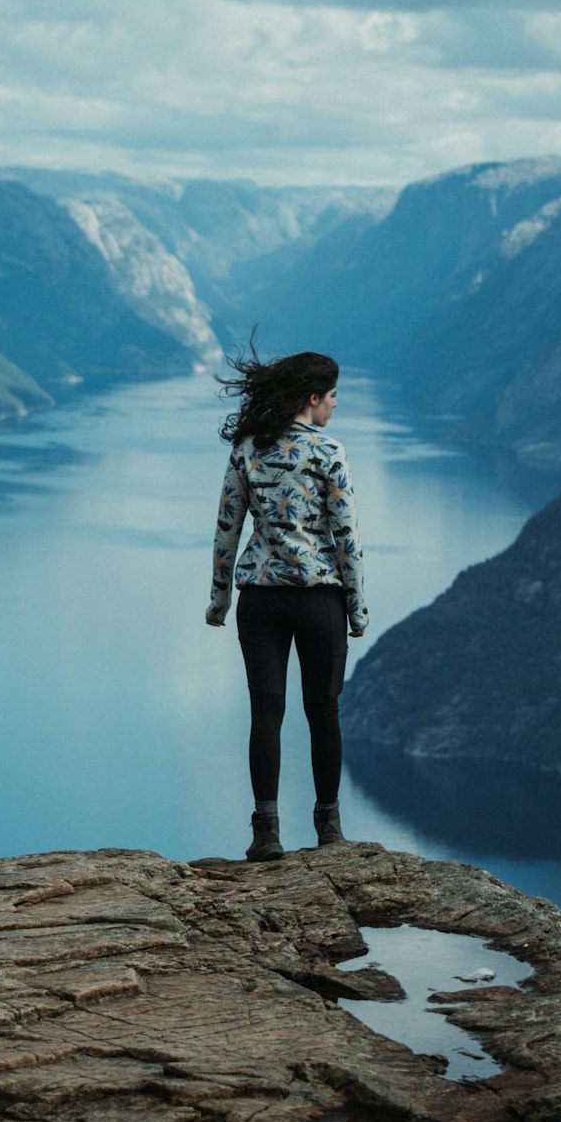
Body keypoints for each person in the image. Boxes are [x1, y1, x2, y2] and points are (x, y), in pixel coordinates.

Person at [205, 346, 368, 862]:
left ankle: (266, 832)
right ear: (313, 398)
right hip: (320, 600)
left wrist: (219, 600)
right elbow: (347, 538)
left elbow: (227, 528)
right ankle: (329, 828)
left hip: (261, 602)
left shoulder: (247, 448)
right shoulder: (329, 453)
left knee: (265, 713)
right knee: (323, 711)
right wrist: (357, 608)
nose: (336, 406)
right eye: (333, 396)